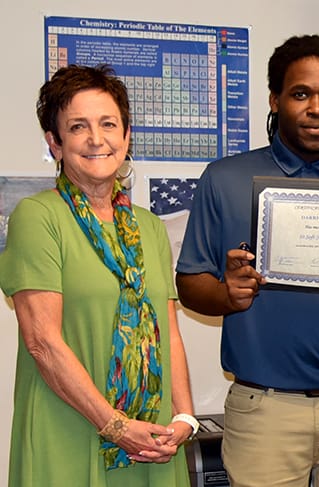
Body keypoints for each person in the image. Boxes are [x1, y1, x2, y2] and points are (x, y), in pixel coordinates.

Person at [175, 35, 319, 486]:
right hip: (265, 410)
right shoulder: (224, 178)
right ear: (276, 99)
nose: (317, 108)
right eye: (301, 93)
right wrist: (228, 294)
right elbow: (189, 284)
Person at [0, 64, 196, 485]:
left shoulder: (149, 227)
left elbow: (169, 331)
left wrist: (184, 417)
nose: (96, 139)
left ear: (126, 136)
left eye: (108, 124)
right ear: (54, 143)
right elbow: (43, 343)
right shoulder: (37, 218)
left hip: (153, 440)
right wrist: (116, 426)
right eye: (77, 127)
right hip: (70, 428)